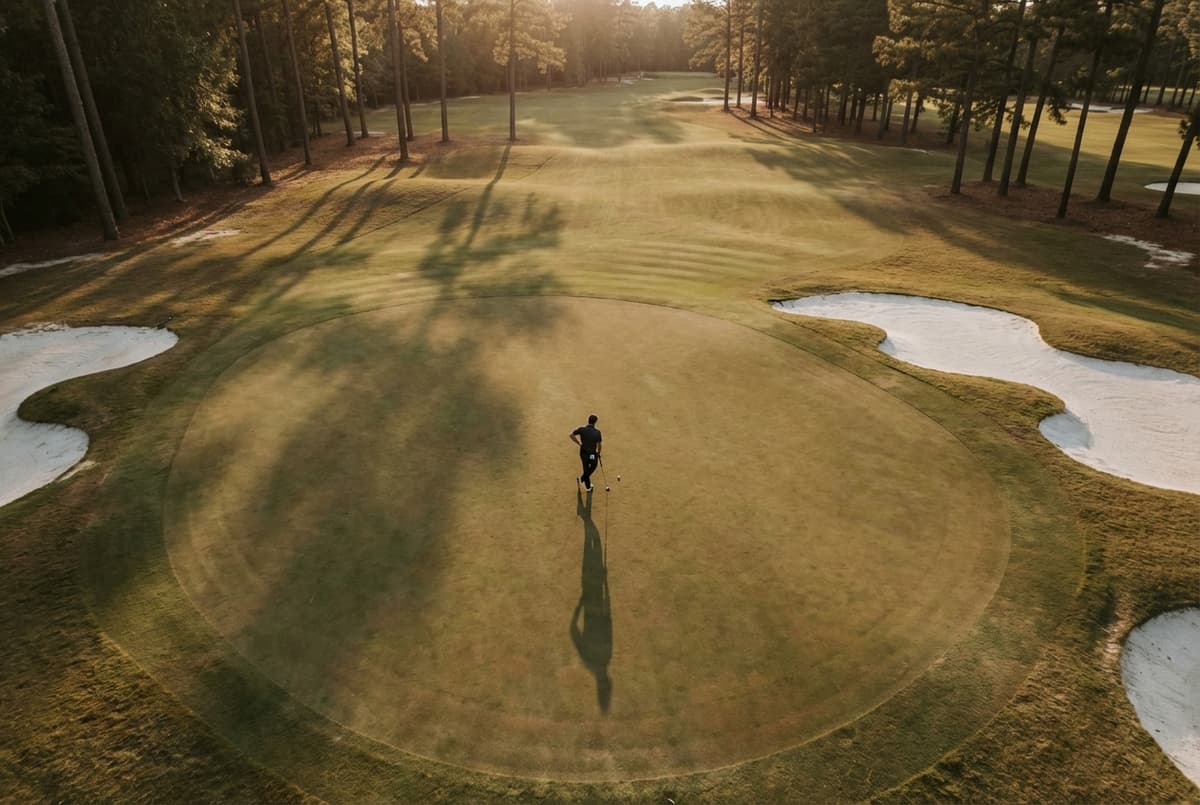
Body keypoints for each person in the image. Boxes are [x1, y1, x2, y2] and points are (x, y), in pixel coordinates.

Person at [569, 414, 602, 493]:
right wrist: (598, 453)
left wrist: (579, 443)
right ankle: (585, 483)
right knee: (593, 466)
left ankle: (583, 481)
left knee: (586, 468)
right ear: (595, 422)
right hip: (592, 454)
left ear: (588, 421)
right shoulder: (597, 432)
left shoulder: (582, 429)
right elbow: (599, 445)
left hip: (583, 452)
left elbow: (571, 435)